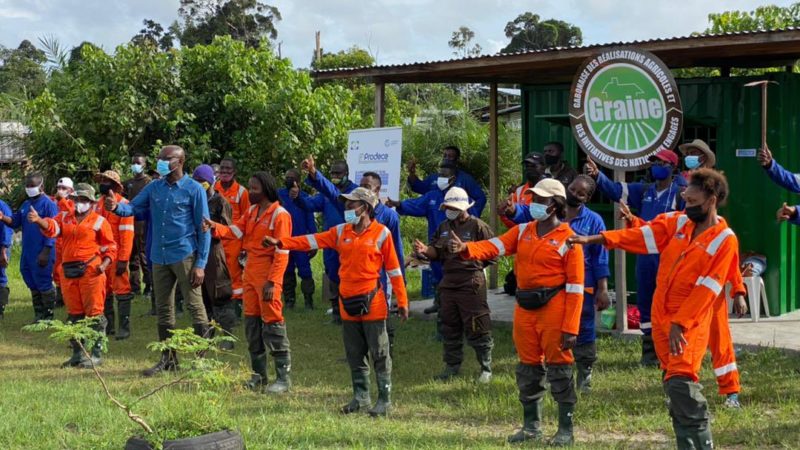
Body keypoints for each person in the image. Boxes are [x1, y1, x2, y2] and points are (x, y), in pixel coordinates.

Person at [569, 169, 737, 449]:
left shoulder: (724, 239)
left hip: (688, 323)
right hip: (662, 316)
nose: (687, 206)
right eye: (686, 200)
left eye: (693, 202)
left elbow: (707, 289)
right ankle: (686, 442)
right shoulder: (679, 222)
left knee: (682, 382)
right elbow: (644, 235)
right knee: (671, 384)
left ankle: (701, 442)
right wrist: (597, 239)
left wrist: (680, 323)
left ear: (712, 200)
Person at [454, 179, 584, 446]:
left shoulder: (570, 240)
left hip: (555, 308)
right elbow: (495, 246)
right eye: (533, 199)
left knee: (559, 369)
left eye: (541, 200)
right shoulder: (522, 231)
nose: (535, 204)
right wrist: (467, 248)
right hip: (525, 308)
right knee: (528, 367)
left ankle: (565, 430)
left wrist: (571, 328)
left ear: (555, 205)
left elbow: (576, 289)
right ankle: (531, 427)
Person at [265, 187, 408, 416]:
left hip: (373, 303)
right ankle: (360, 398)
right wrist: (282, 243)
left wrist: (402, 300)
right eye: (347, 204)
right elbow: (312, 240)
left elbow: (394, 270)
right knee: (354, 353)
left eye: (352, 204)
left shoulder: (382, 234)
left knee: (380, 353)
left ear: (366, 208)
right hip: (347, 303)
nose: (347, 208)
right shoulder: (340, 231)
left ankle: (384, 400)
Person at [106, 144, 211, 377]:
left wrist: (201, 264)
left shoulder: (194, 190)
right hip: (159, 256)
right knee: (164, 309)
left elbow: (204, 229)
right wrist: (116, 208)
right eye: (159, 158)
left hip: (185, 255)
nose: (161, 162)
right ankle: (169, 359)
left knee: (195, 307)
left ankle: (202, 361)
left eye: (166, 159)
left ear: (180, 162)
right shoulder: (155, 187)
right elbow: (133, 208)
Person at [585, 149, 686, 366]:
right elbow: (615, 190)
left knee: (668, 303)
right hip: (645, 258)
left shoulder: (681, 193)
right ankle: (649, 354)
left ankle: (670, 353)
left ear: (673, 167)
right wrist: (597, 176)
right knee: (646, 302)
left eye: (661, 162)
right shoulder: (645, 190)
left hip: (670, 259)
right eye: (653, 162)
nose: (656, 166)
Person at [206, 171, 293, 393]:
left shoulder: (280, 215)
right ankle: (259, 375)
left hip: (267, 276)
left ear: (265, 190)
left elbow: (282, 252)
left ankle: (283, 378)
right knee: (252, 325)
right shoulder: (253, 211)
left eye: (254, 188)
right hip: (250, 273)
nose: (250, 192)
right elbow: (235, 231)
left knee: (273, 323)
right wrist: (214, 226)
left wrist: (273, 282)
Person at [413, 187, 495, 383]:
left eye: (451, 207)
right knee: (449, 325)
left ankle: (485, 367)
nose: (448, 210)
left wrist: (471, 255)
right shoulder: (443, 227)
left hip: (471, 282)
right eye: (446, 206)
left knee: (477, 324)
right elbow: (436, 251)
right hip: (449, 281)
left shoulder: (478, 226)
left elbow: (493, 251)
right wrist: (425, 250)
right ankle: (452, 366)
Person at [30, 183, 116, 368]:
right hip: (69, 273)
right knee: (74, 315)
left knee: (94, 314)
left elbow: (111, 247)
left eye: (84, 200)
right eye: (77, 200)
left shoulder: (100, 221)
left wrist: (104, 265)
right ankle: (78, 353)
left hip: (91, 272)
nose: (80, 203)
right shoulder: (64, 218)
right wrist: (38, 220)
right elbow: (51, 228)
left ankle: (96, 353)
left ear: (92, 202)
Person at [302, 156, 357, 324]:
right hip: (331, 242)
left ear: (347, 173)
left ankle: (352, 313)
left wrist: (313, 173)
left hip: (350, 242)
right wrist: (297, 198)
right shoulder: (325, 194)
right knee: (333, 274)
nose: (334, 176)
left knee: (350, 276)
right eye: (332, 173)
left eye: (338, 173)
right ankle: (336, 314)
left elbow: (334, 194)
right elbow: (309, 205)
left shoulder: (355, 192)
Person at [0, 172, 58, 322]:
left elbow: (54, 229)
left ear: (41, 186)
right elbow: (15, 222)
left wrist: (46, 251)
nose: (29, 188)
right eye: (27, 186)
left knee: (44, 282)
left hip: (43, 250)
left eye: (32, 186)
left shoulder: (49, 205)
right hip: (28, 251)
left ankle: (48, 316)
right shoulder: (26, 204)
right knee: (31, 281)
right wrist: (2, 217)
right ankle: (39, 315)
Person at [193, 165, 237, 351]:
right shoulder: (193, 199)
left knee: (220, 294)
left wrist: (211, 227)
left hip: (214, 252)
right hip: (196, 251)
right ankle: (205, 334)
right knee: (201, 295)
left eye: (201, 182)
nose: (199, 185)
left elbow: (227, 230)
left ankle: (228, 336)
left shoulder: (220, 202)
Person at [95, 170, 135, 340]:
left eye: (107, 181)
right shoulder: (98, 203)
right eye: (102, 180)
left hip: (118, 256)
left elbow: (127, 235)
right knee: (104, 291)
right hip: (101, 256)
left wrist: (124, 259)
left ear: (115, 186)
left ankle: (124, 329)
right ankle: (109, 326)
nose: (103, 183)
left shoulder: (124, 205)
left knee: (122, 291)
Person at [406, 145, 487, 216]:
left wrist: (471, 215)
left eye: (450, 156)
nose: (447, 158)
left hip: (458, 222)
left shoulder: (465, 179)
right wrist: (412, 173)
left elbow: (481, 198)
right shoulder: (434, 177)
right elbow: (419, 187)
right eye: (445, 156)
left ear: (457, 159)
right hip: (437, 220)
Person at [215, 157, 250, 318]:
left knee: (235, 276)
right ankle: (219, 308)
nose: (225, 172)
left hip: (235, 241)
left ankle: (236, 311)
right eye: (222, 169)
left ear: (234, 171)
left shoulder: (242, 192)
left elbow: (248, 220)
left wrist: (245, 246)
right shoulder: (214, 188)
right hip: (216, 239)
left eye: (228, 169)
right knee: (217, 273)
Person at [278, 169, 317, 310]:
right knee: (286, 270)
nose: (288, 180)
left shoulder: (304, 197)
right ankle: (289, 300)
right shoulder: (279, 195)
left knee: (305, 270)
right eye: (287, 177)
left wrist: (314, 243)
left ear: (298, 181)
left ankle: (308, 300)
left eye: (292, 178)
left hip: (301, 241)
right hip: (284, 240)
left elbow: (310, 221)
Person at [123, 153, 153, 296]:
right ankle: (134, 286)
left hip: (143, 222)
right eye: (134, 162)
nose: (135, 165)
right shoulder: (128, 183)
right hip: (129, 222)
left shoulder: (149, 182)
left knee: (143, 254)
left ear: (144, 165)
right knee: (131, 254)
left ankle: (149, 285)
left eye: (138, 163)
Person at [499, 152, 546, 229]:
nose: (530, 169)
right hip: (524, 235)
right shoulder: (519, 191)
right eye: (527, 166)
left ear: (543, 167)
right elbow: (514, 225)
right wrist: (504, 214)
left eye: (534, 166)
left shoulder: (550, 188)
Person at [52, 177, 75, 308]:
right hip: (56, 242)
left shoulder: (73, 204)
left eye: (63, 188)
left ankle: (68, 297)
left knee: (65, 270)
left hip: (67, 243)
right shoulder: (53, 202)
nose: (60, 191)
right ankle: (59, 297)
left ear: (70, 190)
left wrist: (62, 200)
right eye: (59, 188)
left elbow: (70, 215)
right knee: (56, 270)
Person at [0, 198, 12, 318]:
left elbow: (7, 229)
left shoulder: (2, 206)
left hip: (1, 247)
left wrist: (3, 250)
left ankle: (0, 308)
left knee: (0, 277)